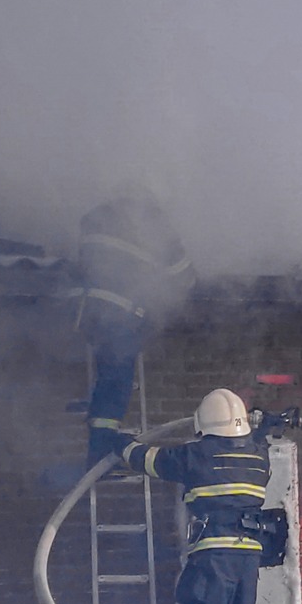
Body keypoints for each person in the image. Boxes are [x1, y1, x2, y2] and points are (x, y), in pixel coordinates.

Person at [115, 388, 293, 604]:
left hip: (215, 553)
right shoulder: (259, 457)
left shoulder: (195, 455)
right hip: (249, 556)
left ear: (204, 425)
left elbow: (148, 460)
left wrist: (120, 443)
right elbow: (253, 446)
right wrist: (261, 430)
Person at [76, 191, 196, 463]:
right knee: (116, 384)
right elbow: (184, 275)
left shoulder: (97, 217)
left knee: (106, 379)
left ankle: (98, 450)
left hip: (88, 312)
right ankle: (100, 457)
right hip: (121, 315)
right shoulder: (154, 224)